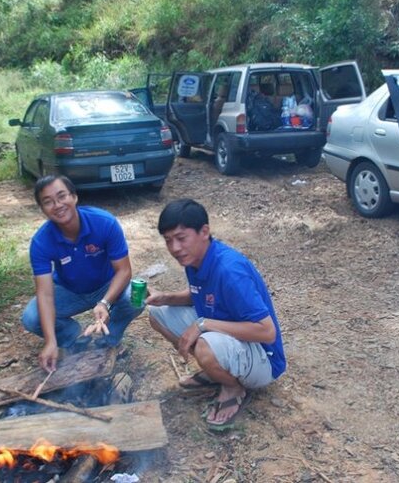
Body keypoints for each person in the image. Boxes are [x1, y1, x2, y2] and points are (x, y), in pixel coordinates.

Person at [146, 199, 286, 431]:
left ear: (204, 232)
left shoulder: (229, 270)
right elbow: (200, 294)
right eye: (168, 240)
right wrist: (166, 298)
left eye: (181, 238)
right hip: (230, 339)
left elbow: (266, 331)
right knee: (157, 314)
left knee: (203, 344)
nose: (175, 248)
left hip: (264, 359)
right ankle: (217, 371)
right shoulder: (195, 260)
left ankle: (233, 388)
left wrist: (202, 324)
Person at [22, 175, 144, 372]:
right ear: (43, 209)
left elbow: (124, 271)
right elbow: (44, 294)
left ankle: (108, 340)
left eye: (62, 196)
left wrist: (105, 302)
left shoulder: (104, 223)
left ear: (74, 197)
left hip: (106, 286)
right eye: (48, 202)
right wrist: (51, 342)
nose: (57, 205)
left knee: (135, 298)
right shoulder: (41, 242)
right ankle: (75, 338)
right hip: (69, 290)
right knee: (31, 317)